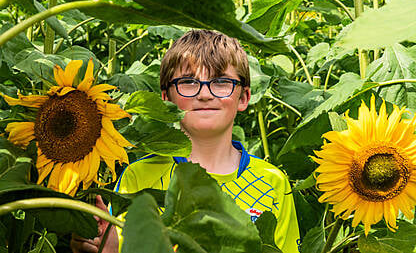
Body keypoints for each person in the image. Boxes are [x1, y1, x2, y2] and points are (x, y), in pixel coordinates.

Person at [71, 29, 300, 253]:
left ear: (244, 97)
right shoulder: (139, 177)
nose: (204, 94)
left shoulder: (273, 183)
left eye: (221, 82)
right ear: (166, 98)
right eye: (189, 83)